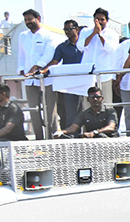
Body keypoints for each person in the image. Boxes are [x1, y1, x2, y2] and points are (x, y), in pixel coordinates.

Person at [15, 8, 57, 139]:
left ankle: (52, 138)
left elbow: (49, 55)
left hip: (46, 78)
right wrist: (21, 69)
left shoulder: (48, 35)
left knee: (50, 110)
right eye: (26, 20)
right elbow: (21, 55)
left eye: (30, 19)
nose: (28, 22)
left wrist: (36, 67)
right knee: (34, 110)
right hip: (29, 79)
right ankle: (39, 138)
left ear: (38, 19)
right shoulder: (23, 36)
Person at [39, 19, 85, 131]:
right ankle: (72, 136)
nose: (67, 32)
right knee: (71, 111)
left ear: (77, 29)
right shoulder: (62, 47)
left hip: (86, 82)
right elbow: (55, 62)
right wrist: (43, 70)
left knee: (86, 109)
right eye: (65, 30)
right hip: (69, 84)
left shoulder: (85, 44)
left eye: (69, 29)